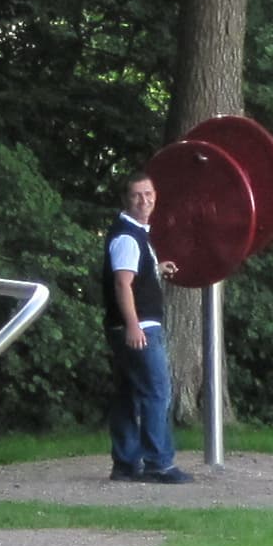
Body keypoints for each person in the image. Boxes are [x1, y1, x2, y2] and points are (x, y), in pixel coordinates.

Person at [105, 173, 185, 484]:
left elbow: (132, 276)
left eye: (149, 194)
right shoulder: (127, 237)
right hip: (141, 328)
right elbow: (122, 283)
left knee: (128, 394)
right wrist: (133, 325)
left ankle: (125, 464)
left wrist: (155, 269)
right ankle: (158, 463)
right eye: (137, 195)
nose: (144, 201)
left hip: (130, 326)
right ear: (126, 199)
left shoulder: (134, 234)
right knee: (156, 392)